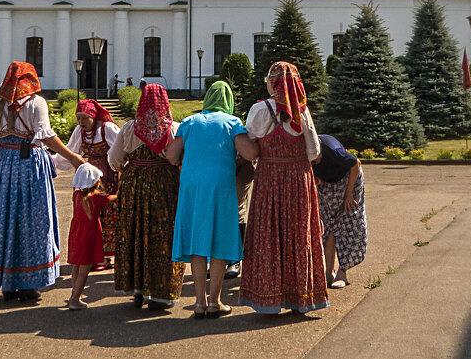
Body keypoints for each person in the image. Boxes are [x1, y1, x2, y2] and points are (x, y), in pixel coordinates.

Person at [0, 61, 86, 303]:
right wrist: (73, 157)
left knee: (5, 218)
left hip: (4, 162)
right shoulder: (36, 103)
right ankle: (29, 282)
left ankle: (7, 280)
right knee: (33, 220)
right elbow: (46, 136)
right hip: (30, 165)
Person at [239, 62, 328, 315]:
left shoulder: (260, 110)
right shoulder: (303, 112)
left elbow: (251, 144)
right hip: (299, 180)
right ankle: (301, 297)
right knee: (298, 236)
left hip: (269, 179)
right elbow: (313, 152)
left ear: (272, 82)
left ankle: (268, 299)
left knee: (269, 235)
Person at [165, 80, 258, 319]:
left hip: (192, 187)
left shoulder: (188, 122)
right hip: (220, 186)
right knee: (219, 241)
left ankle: (199, 303)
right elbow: (250, 153)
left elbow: (172, 155)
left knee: (197, 240)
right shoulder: (231, 122)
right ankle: (215, 302)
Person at [108, 82, 186, 310]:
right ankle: (161, 292)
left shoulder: (129, 128)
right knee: (162, 235)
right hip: (164, 184)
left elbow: (114, 160)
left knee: (134, 232)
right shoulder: (173, 129)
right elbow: (177, 159)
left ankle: (137, 289)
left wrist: (129, 168)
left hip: (134, 183)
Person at [56, 99, 121, 268]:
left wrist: (121, 173)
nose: (81, 122)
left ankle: (107, 255)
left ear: (93, 116)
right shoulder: (80, 131)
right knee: (91, 216)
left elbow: (121, 150)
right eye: (78, 118)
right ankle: (95, 254)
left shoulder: (107, 129)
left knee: (110, 215)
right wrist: (51, 161)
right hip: (90, 180)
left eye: (84, 118)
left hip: (109, 177)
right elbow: (71, 151)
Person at [312, 134, 367, 289]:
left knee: (348, 223)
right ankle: (328, 272)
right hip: (328, 183)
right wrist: (318, 178)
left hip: (349, 180)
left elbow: (355, 164)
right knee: (328, 223)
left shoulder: (332, 150)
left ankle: (342, 273)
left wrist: (348, 193)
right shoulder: (304, 150)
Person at [65, 163, 117, 310]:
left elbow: (76, 186)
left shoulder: (77, 195)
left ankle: (75, 294)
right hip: (89, 236)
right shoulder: (97, 198)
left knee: (76, 267)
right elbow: (113, 198)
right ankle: (75, 299)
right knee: (84, 270)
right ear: (96, 182)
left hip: (76, 234)